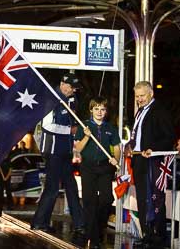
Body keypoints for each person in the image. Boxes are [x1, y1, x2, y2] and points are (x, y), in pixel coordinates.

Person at [31, 72, 84, 233]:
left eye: (75, 88)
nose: (73, 91)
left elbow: (74, 122)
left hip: (66, 150)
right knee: (52, 187)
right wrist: (70, 130)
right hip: (53, 151)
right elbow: (48, 125)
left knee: (71, 186)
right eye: (71, 88)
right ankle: (39, 222)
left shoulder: (72, 100)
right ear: (63, 84)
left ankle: (80, 224)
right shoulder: (50, 98)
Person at [125, 81, 175, 247]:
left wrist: (152, 149)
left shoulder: (159, 111)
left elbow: (169, 137)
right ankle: (147, 233)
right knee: (142, 199)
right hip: (138, 160)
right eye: (137, 96)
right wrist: (130, 145)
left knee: (155, 199)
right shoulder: (140, 111)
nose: (139, 99)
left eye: (142, 96)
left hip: (153, 161)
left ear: (151, 93)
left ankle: (159, 236)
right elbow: (136, 135)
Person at [74, 97, 121, 248]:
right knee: (89, 202)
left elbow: (117, 148)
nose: (99, 112)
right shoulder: (84, 126)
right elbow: (79, 149)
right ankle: (94, 239)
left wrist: (115, 158)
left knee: (107, 200)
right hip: (88, 167)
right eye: (96, 109)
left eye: (102, 109)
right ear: (91, 110)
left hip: (105, 168)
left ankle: (96, 230)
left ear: (106, 111)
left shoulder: (111, 128)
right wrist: (87, 136)